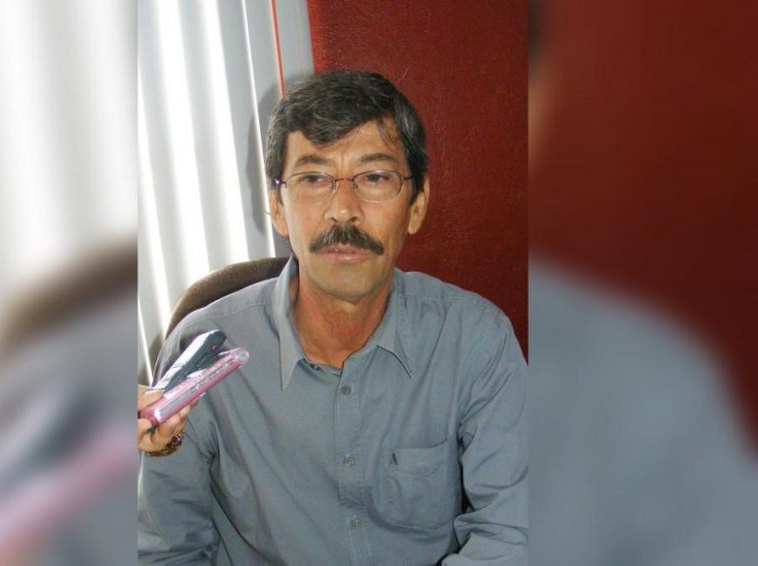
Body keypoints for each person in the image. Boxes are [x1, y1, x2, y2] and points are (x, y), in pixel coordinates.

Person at [138, 70, 527, 565]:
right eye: (314, 179)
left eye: (375, 177)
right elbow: (167, 551)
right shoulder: (204, 353)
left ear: (416, 206)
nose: (343, 211)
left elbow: (512, 532)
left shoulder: (474, 340)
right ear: (277, 207)